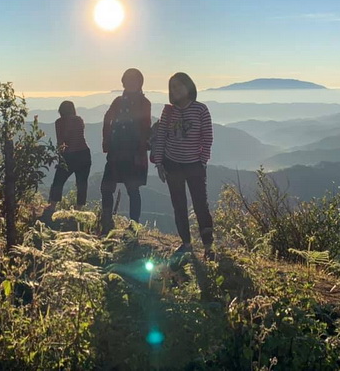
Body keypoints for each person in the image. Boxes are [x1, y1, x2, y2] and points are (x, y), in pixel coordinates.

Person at [151, 72, 215, 260]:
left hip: (194, 165)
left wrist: (203, 161)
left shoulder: (200, 109)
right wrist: (159, 162)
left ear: (189, 87)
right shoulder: (168, 111)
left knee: (200, 205)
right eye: (172, 87)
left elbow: (207, 137)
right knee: (178, 205)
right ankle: (186, 244)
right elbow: (162, 136)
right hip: (172, 164)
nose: (175, 90)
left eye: (179, 85)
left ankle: (208, 246)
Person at [100, 68, 151, 234]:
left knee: (133, 189)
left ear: (140, 83)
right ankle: (106, 221)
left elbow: (146, 127)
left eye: (134, 80)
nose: (130, 83)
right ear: (123, 82)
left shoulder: (145, 103)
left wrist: (142, 151)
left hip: (134, 151)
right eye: (127, 80)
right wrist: (106, 139)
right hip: (116, 149)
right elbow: (107, 118)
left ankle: (133, 227)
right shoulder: (117, 101)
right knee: (106, 187)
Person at [43, 101, 92, 221]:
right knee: (82, 182)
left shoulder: (59, 122)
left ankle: (52, 206)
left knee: (58, 180)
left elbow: (61, 142)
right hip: (84, 153)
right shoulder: (79, 120)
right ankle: (79, 209)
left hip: (69, 155)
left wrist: (61, 157)